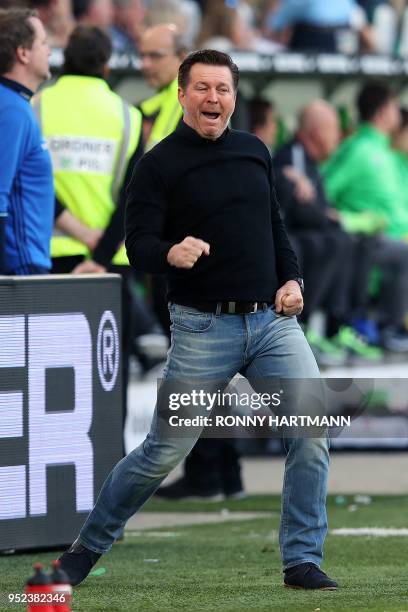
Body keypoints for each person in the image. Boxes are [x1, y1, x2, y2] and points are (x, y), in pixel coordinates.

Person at [58, 49, 337, 591]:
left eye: (223, 89)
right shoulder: (157, 164)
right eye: (203, 88)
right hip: (202, 330)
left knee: (311, 428)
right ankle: (85, 549)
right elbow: (136, 244)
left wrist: (293, 281)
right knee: (163, 452)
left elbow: (276, 229)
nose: (214, 98)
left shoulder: (255, 151)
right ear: (183, 95)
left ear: (234, 96)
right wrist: (168, 254)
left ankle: (301, 559)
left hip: (272, 325)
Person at [32, 25, 145, 427]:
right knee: (110, 375)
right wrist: (98, 250)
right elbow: (134, 198)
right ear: (107, 65)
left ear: (64, 58)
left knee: (50, 375)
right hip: (111, 261)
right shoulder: (129, 117)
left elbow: (28, 184)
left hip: (49, 256)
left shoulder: (37, 105)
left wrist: (77, 234)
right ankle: (111, 471)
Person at [273, 100, 382, 364]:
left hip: (307, 232)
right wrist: (328, 217)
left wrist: (330, 217)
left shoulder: (310, 160)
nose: (339, 136)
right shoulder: (293, 156)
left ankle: (342, 326)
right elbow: (300, 211)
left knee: (355, 242)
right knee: (334, 240)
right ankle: (308, 326)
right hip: (288, 235)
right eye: (334, 129)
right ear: (317, 131)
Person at [323, 82, 408, 352]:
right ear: (383, 112)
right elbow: (323, 190)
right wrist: (354, 221)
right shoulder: (358, 150)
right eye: (395, 106)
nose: (399, 112)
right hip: (367, 242)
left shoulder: (388, 152)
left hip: (390, 241)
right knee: (403, 252)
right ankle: (390, 328)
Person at [0, 7, 54, 275]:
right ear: (23, 53)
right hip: (18, 270)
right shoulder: (11, 109)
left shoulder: (15, 104)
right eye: (43, 43)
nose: (50, 50)